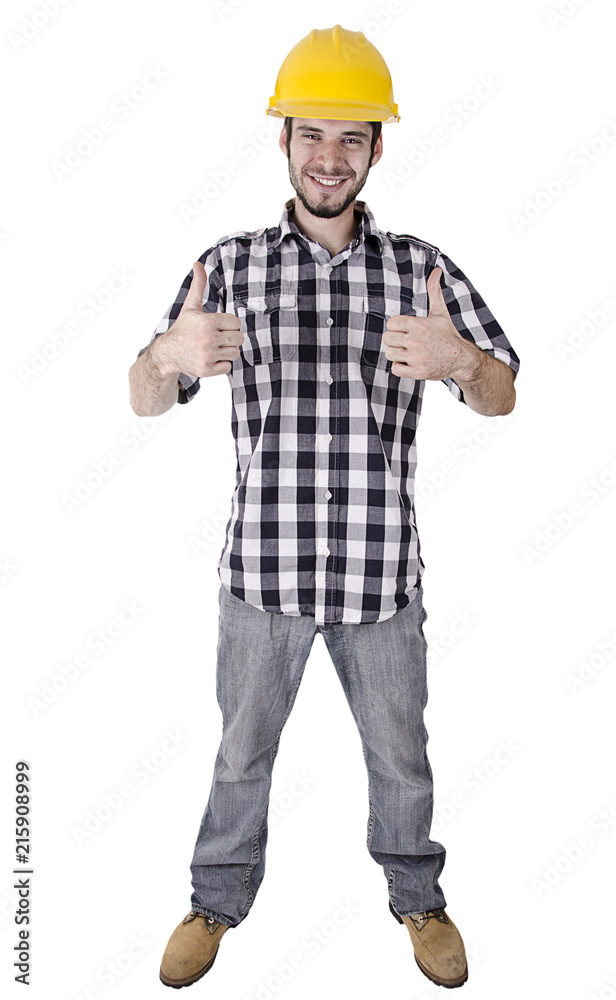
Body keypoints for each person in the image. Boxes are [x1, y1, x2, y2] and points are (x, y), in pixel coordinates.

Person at [128, 24, 519, 990]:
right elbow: (142, 388)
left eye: (352, 138)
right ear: (284, 142)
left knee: (402, 761)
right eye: (314, 136)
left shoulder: (420, 269)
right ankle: (215, 902)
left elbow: (504, 388)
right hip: (263, 578)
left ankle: (417, 896)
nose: (330, 158)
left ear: (377, 149)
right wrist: (170, 360)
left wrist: (462, 363)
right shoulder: (228, 267)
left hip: (382, 577)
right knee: (239, 757)